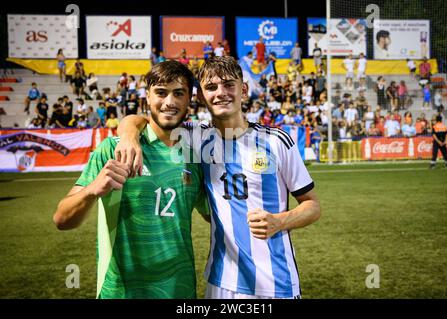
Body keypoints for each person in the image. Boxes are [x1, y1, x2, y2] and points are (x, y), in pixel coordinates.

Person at [116, 56, 321, 299]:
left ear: (243, 90)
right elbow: (141, 120)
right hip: (221, 281)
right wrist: (128, 135)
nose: (221, 93)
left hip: (275, 283)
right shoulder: (195, 138)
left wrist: (280, 221)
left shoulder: (276, 141)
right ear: (201, 97)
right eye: (211, 88)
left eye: (228, 85)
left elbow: (312, 205)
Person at [53, 60, 210, 299]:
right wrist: (92, 190)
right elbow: (62, 220)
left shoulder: (195, 156)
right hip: (119, 291)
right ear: (147, 97)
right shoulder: (112, 149)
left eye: (179, 93)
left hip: (180, 290)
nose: (169, 102)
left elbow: (215, 216)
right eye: (160, 93)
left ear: (189, 99)